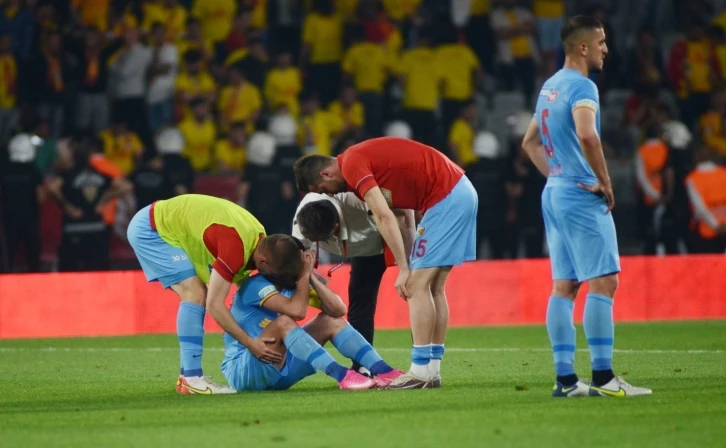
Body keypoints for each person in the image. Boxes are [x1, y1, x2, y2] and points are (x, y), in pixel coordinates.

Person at [520, 16, 652, 398]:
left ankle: (565, 381)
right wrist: (605, 182)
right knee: (605, 281)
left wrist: (557, 175)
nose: (605, 49)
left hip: (555, 192)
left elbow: (529, 142)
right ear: (583, 47)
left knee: (564, 285)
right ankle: (604, 378)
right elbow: (587, 134)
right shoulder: (582, 86)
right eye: (601, 42)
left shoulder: (550, 86)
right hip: (580, 193)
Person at [293, 137, 478, 389]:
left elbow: (384, 216)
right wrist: (408, 264)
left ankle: (420, 371)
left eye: (324, 189)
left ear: (326, 173)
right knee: (433, 288)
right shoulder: (359, 162)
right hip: (457, 191)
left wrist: (404, 268)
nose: (330, 194)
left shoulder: (352, 165)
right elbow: (402, 213)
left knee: (416, 286)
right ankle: (431, 370)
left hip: (445, 198)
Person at [126, 194, 303, 395]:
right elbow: (215, 305)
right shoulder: (235, 247)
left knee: (198, 293)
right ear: (263, 261)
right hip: (152, 229)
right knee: (195, 294)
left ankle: (187, 379)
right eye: (273, 274)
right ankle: (192, 378)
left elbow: (247, 290)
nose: (271, 279)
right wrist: (250, 343)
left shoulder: (258, 239)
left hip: (165, 222)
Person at [222, 248, 404, 392]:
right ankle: (342, 375)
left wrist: (312, 279)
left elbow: (339, 309)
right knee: (284, 322)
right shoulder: (256, 285)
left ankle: (385, 372)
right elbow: (298, 312)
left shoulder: (291, 281)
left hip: (281, 367)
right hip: (245, 371)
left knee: (330, 320)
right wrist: (304, 276)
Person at [292, 192, 415, 375]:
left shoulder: (360, 200)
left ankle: (420, 362)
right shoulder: (303, 222)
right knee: (357, 302)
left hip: (376, 247)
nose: (319, 243)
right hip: (360, 245)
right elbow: (294, 260)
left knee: (371, 298)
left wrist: (408, 264)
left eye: (323, 239)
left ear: (335, 226)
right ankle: (361, 366)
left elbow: (404, 213)